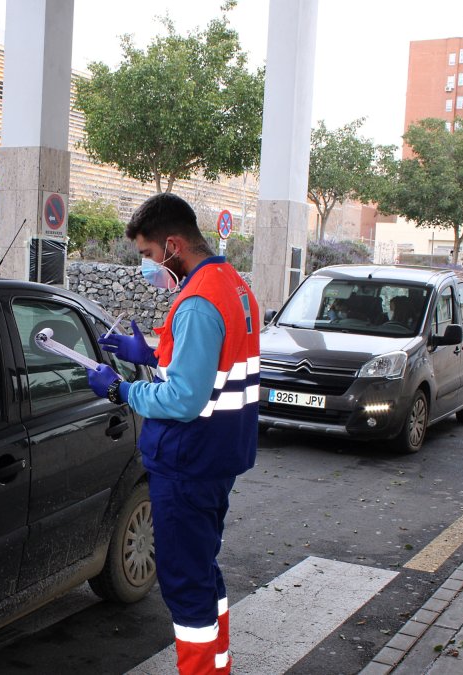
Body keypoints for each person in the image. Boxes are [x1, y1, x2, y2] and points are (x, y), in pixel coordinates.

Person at [87, 193, 260, 675]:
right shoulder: (233, 284)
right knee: (202, 568)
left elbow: (184, 399)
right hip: (217, 455)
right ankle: (218, 664)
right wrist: (153, 353)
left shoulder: (198, 302)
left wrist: (122, 389)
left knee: (185, 584)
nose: (145, 266)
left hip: (189, 461)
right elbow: (210, 362)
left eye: (147, 255)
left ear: (173, 244)